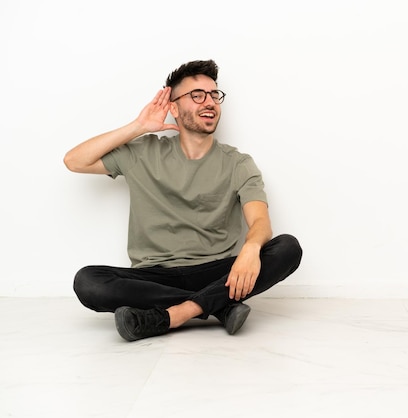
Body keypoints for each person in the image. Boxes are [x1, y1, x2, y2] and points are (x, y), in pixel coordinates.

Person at [64, 59, 302, 342]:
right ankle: (217, 307)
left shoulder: (238, 163)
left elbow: (260, 221)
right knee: (88, 282)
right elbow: (74, 161)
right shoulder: (142, 153)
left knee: (288, 248)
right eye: (197, 95)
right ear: (173, 107)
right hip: (154, 275)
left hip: (218, 272)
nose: (210, 102)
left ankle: (174, 315)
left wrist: (251, 248)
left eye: (214, 95)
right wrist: (138, 126)